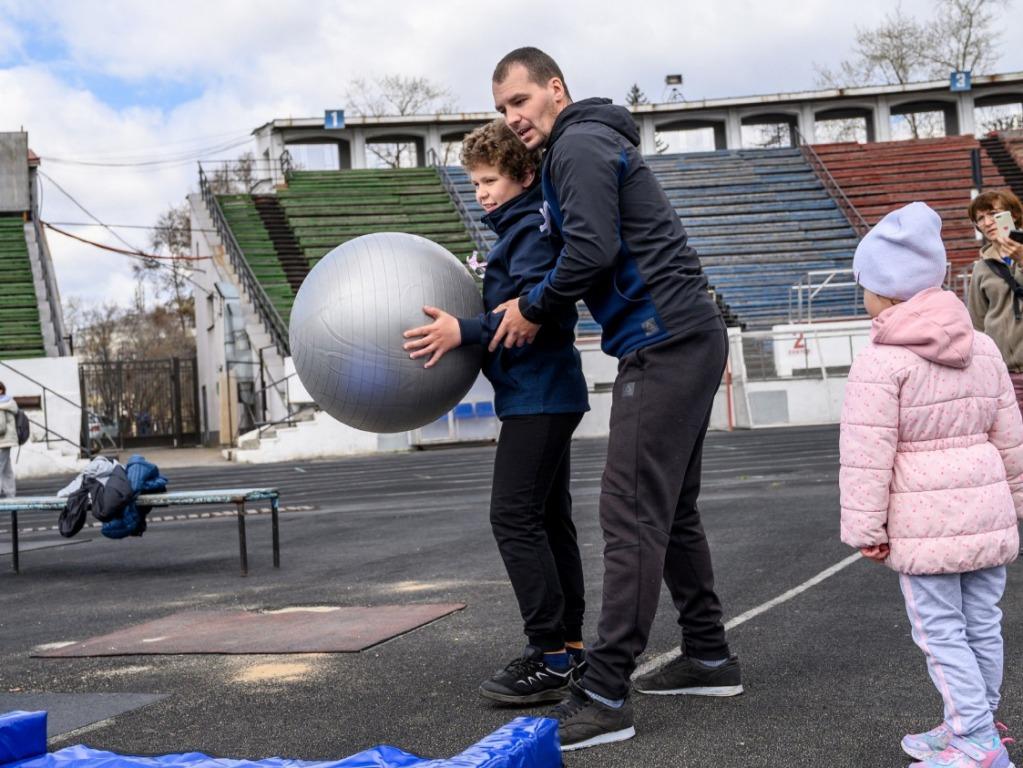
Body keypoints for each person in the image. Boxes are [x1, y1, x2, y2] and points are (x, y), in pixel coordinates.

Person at [489, 47, 741, 751]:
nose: (513, 118)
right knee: (671, 509)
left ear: (554, 89)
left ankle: (602, 692)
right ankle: (707, 654)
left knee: (629, 512)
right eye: (502, 110)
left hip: (663, 341)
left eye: (519, 101)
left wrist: (532, 306)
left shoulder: (576, 146)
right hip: (687, 333)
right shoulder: (589, 142)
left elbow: (591, 250)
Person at [402, 119, 590, 704]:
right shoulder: (519, 226)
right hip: (540, 396)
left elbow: (536, 315)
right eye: (476, 182)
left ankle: (549, 654)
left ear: (524, 175)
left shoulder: (531, 231)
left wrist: (464, 330)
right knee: (548, 520)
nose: (481, 192)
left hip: (540, 397)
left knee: (513, 517)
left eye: (490, 181)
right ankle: (572, 651)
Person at [840, 201, 1023, 768]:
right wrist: (1017, 503)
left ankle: (975, 739)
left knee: (940, 630)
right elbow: (1010, 435)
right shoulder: (983, 346)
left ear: (888, 292)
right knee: (982, 623)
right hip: (987, 510)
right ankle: (975, 721)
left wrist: (866, 528)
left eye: (867, 285)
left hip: (925, 522)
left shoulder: (880, 360)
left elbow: (867, 455)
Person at [966, 189, 1023, 414]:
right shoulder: (981, 268)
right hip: (1005, 376)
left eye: (993, 214)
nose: (987, 222)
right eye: (980, 218)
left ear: (1014, 215)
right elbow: (977, 324)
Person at [0, 381, 19, 498]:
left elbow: (0, 428)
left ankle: (9, 493)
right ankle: (10, 494)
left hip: (2, 442)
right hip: (7, 441)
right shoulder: (8, 402)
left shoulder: (1, 405)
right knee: (7, 469)